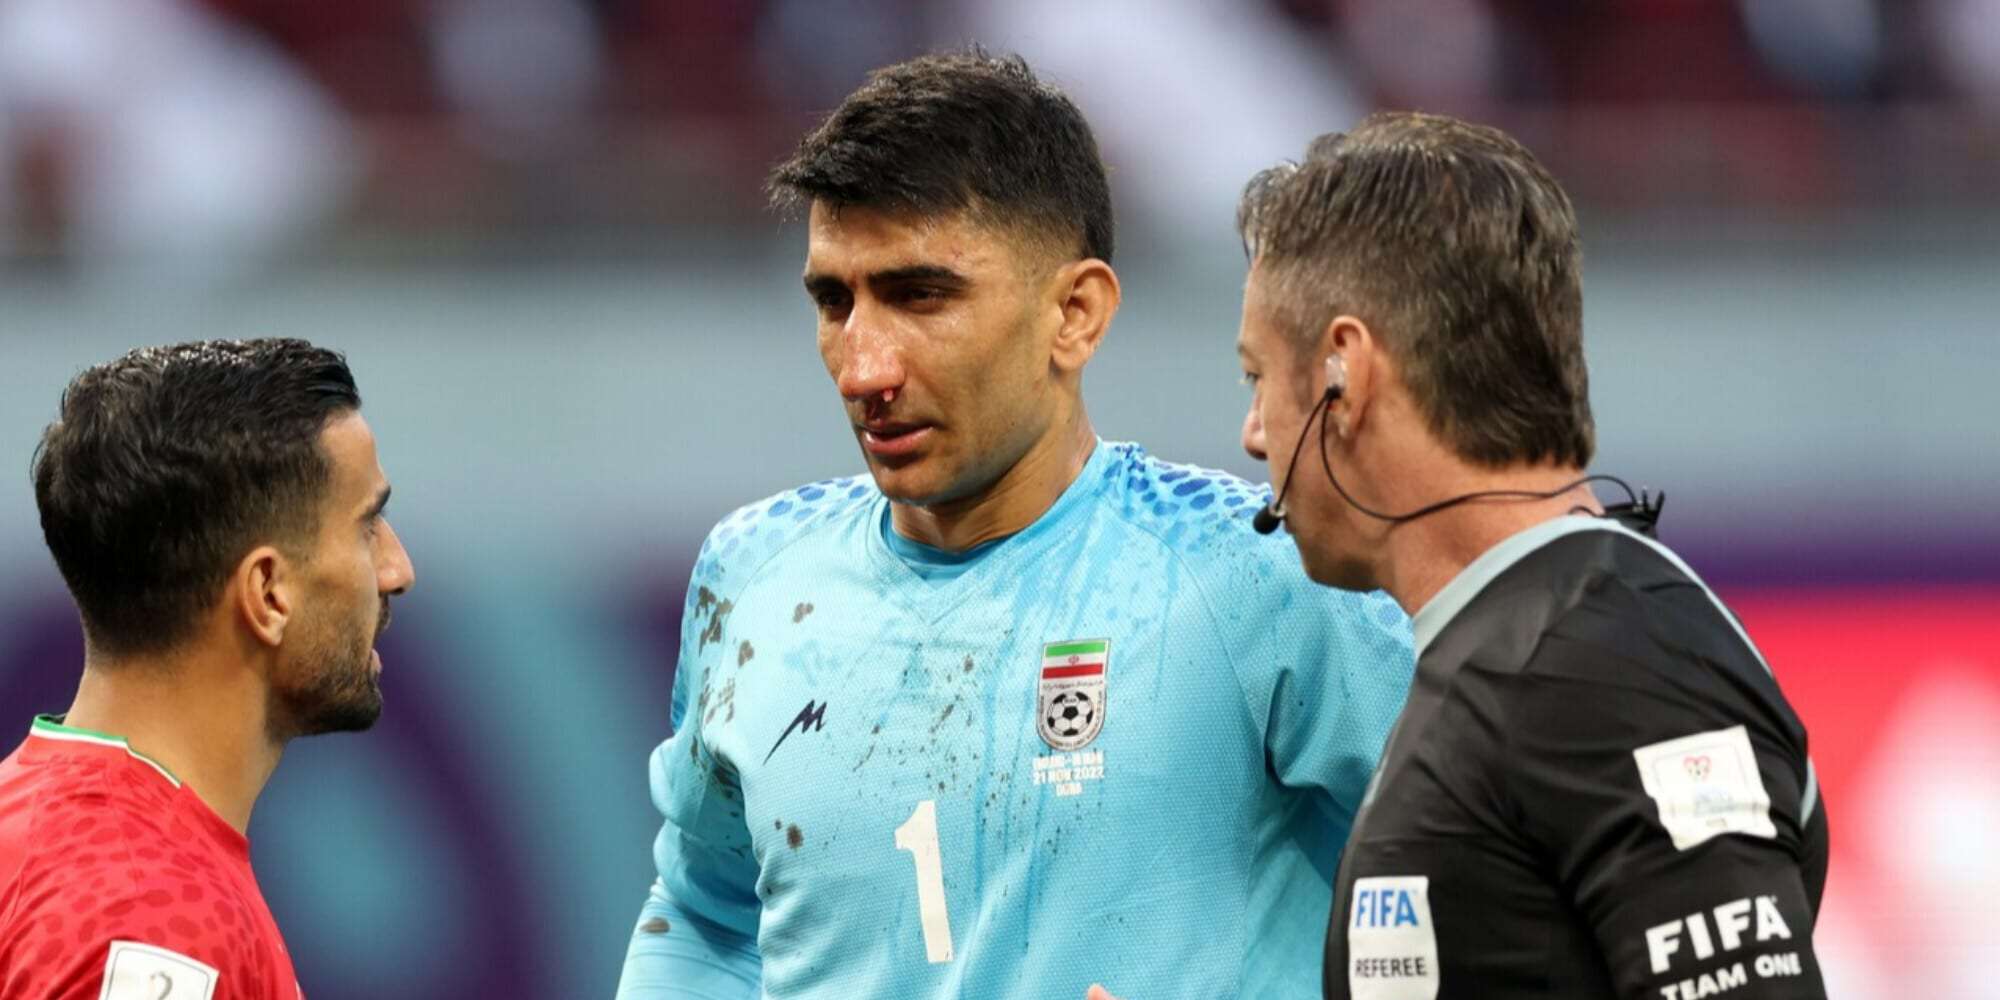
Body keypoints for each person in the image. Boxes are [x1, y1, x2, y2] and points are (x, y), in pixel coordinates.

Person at [615, 52, 1414, 1000]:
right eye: (834, 301)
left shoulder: (1259, 574)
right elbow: (705, 916)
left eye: (920, 296)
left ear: (1075, 314)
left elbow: (1486, 885)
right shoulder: (752, 578)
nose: (863, 369)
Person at [1222, 112, 1827, 999]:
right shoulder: (1530, 645)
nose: (1252, 433)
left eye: (1258, 377)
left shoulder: (1606, 662)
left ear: (1344, 375)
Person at [0, 339, 415, 999]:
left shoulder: (35, 828)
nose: (397, 569)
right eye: (368, 524)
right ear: (269, 594)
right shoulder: (151, 916)